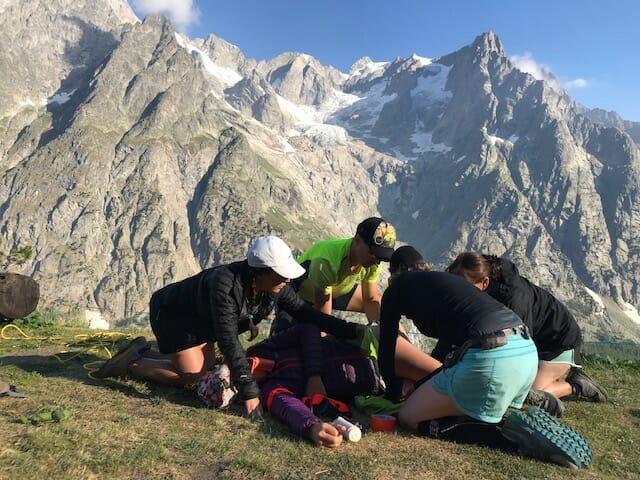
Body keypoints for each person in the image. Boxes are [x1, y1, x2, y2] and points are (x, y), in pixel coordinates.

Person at [95, 236, 359, 418]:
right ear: (262, 271)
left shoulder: (275, 286)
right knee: (193, 375)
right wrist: (250, 392)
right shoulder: (225, 284)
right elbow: (228, 340)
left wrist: (351, 330)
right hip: (174, 315)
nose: (287, 278)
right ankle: (132, 363)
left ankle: (143, 350)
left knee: (205, 367)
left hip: (200, 320)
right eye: (281, 273)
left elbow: (306, 314)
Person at [376, 270, 592, 468]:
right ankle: (515, 417)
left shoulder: (395, 292)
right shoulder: (443, 285)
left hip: (492, 356)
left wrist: (393, 393)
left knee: (408, 417)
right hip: (525, 349)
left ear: (392, 277)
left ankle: (507, 435)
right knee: (461, 401)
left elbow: (386, 350)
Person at [446, 252, 607, 412]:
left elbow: (520, 346)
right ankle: (546, 376)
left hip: (559, 343)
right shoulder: (480, 287)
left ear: (484, 282)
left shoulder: (514, 298)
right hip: (539, 341)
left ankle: (576, 385)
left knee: (522, 396)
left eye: (463, 285)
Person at [270, 217, 396, 334]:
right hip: (299, 293)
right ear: (357, 240)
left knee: (383, 308)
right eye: (373, 254)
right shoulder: (327, 262)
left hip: (335, 288)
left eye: (381, 257)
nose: (377, 261)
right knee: (287, 337)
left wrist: (382, 334)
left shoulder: (373, 261)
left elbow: (370, 299)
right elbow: (324, 317)